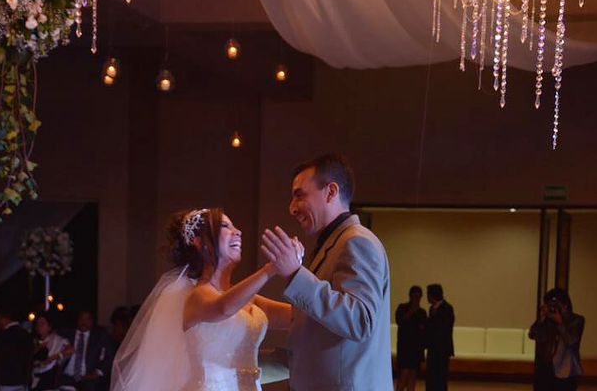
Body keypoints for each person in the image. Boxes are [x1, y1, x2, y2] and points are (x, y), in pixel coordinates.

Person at [111, 208, 295, 391]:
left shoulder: (250, 300)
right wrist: (270, 269)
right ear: (200, 243)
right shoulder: (197, 295)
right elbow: (223, 308)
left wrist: (296, 273)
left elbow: (297, 317)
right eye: (225, 226)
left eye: (235, 227)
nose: (237, 231)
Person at [260, 154, 393, 390]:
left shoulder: (357, 242)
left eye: (299, 195)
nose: (292, 208)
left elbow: (360, 321)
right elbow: (314, 341)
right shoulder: (333, 244)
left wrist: (294, 275)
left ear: (331, 192)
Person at [529, 288, 585, 391]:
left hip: (565, 371)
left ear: (565, 305)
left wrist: (560, 323)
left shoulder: (577, 320)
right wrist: (541, 320)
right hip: (545, 369)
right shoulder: (548, 320)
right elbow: (532, 335)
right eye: (550, 305)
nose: (553, 309)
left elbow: (571, 341)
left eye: (556, 305)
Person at [0, 307, 34, 391]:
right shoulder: (28, 336)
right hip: (23, 383)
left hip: (3, 384)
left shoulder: (0, 337)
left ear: (5, 319)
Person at [58, 310, 113, 391]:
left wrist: (98, 372)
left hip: (89, 377)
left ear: (92, 321)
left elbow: (109, 356)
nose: (84, 322)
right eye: (81, 319)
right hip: (67, 377)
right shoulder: (66, 334)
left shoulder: (100, 336)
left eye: (87, 319)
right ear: (77, 320)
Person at [395, 286, 427, 391]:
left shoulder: (422, 313)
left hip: (416, 349)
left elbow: (423, 334)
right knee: (403, 374)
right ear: (410, 296)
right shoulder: (402, 308)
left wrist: (422, 354)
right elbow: (399, 321)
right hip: (404, 347)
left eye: (418, 297)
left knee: (413, 374)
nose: (416, 299)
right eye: (414, 296)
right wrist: (411, 311)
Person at [424, 284, 454, 391]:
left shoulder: (447, 308)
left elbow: (444, 328)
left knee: (441, 376)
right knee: (431, 375)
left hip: (442, 349)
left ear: (433, 295)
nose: (426, 297)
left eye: (428, 294)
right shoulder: (431, 308)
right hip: (432, 348)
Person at [31, 311, 70, 390]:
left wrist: (53, 357)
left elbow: (71, 349)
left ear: (49, 327)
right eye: (37, 323)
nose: (39, 326)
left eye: (42, 323)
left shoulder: (57, 340)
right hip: (34, 376)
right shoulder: (34, 341)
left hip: (49, 378)